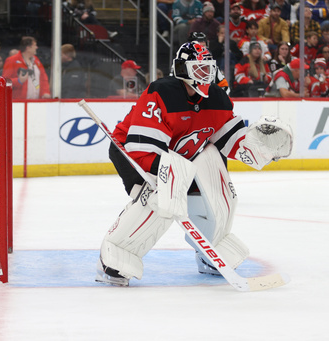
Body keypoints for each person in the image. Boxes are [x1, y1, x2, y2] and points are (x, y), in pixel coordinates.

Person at [95, 41, 292, 286]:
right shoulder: (162, 92)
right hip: (132, 151)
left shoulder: (217, 98)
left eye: (208, 68)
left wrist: (257, 148)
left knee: (215, 181)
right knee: (162, 195)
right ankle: (118, 253)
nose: (206, 74)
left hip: (179, 158)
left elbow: (228, 138)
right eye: (199, 68)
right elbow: (142, 147)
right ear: (182, 70)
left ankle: (210, 251)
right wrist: (173, 179)